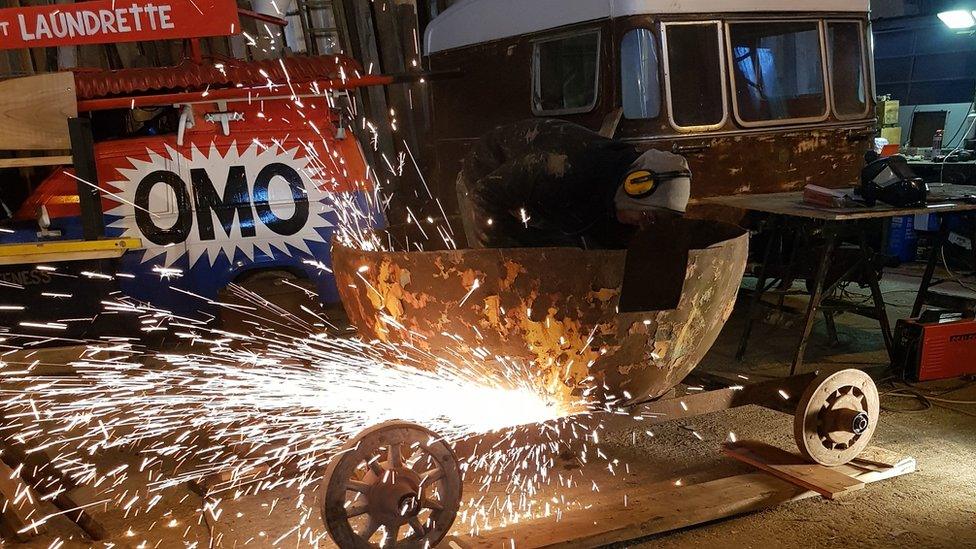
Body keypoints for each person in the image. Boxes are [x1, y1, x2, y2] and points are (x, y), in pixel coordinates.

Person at [457, 118, 691, 249]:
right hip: (488, 171)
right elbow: (484, 195)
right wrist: (499, 255)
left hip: (550, 196)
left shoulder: (614, 189)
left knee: (567, 250)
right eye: (648, 217)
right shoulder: (561, 166)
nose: (642, 225)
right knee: (519, 255)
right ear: (636, 186)